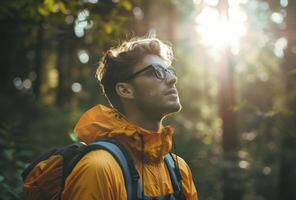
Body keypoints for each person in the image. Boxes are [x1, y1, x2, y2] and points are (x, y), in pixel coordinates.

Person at [61, 37, 198, 200]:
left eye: (169, 71)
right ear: (125, 90)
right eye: (157, 72)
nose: (172, 79)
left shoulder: (179, 170)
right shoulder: (98, 168)